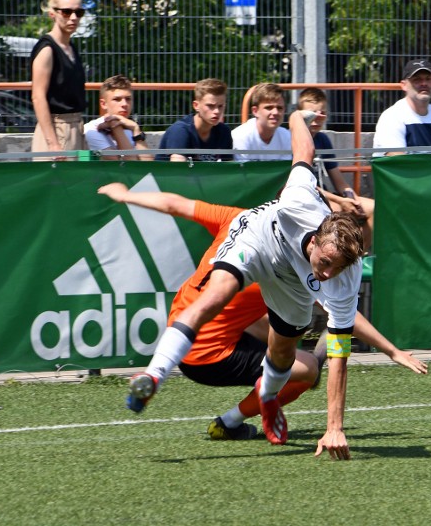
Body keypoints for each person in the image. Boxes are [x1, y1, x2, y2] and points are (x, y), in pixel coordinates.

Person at [97, 181, 427, 441]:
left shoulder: (238, 219)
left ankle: (156, 372)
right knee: (309, 368)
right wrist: (391, 350)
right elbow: (346, 316)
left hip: (183, 324)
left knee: (260, 321)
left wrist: (126, 195)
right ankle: (231, 422)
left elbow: (175, 204)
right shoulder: (290, 263)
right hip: (209, 356)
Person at [125, 109, 366, 460]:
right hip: (259, 240)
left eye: (337, 268)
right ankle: (155, 375)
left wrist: (335, 427)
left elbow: (339, 354)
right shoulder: (298, 200)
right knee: (216, 294)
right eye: (326, 264)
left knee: (282, 351)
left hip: (290, 282)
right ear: (313, 241)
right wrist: (297, 115)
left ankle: (267, 396)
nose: (328, 275)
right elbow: (303, 152)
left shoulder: (345, 275)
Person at [297, 87, 375, 250]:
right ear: (300, 114)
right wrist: (341, 201)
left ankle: (357, 259)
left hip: (327, 197)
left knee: (373, 208)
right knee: (335, 213)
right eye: (312, 114)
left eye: (322, 113)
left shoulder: (323, 139)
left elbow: (339, 181)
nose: (318, 118)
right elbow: (304, 186)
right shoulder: (291, 139)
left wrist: (351, 199)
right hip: (306, 197)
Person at [30, 0, 87, 154]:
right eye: (67, 12)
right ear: (52, 14)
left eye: (79, 12)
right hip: (56, 128)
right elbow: (38, 96)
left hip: (76, 126)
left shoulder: (71, 47)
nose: (74, 18)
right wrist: (53, 143)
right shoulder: (47, 49)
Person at [373, 59, 431, 156]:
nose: (424, 83)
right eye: (417, 79)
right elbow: (397, 161)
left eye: (428, 79)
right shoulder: (392, 117)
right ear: (404, 85)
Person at [156, 78, 233, 162]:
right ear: (196, 105)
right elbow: (177, 170)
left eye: (220, 106)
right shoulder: (180, 131)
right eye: (210, 106)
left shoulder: (224, 131)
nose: (217, 111)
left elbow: (228, 169)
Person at [84, 75, 152, 160]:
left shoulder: (130, 128)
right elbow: (128, 166)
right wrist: (116, 127)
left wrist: (136, 130)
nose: (124, 104)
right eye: (117, 99)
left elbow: (148, 165)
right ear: (103, 104)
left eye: (128, 99)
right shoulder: (91, 131)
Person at [232, 82, 291, 161]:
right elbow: (241, 171)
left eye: (280, 108)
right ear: (255, 111)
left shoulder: (287, 136)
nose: (275, 112)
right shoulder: (241, 136)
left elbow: (287, 171)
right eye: (269, 107)